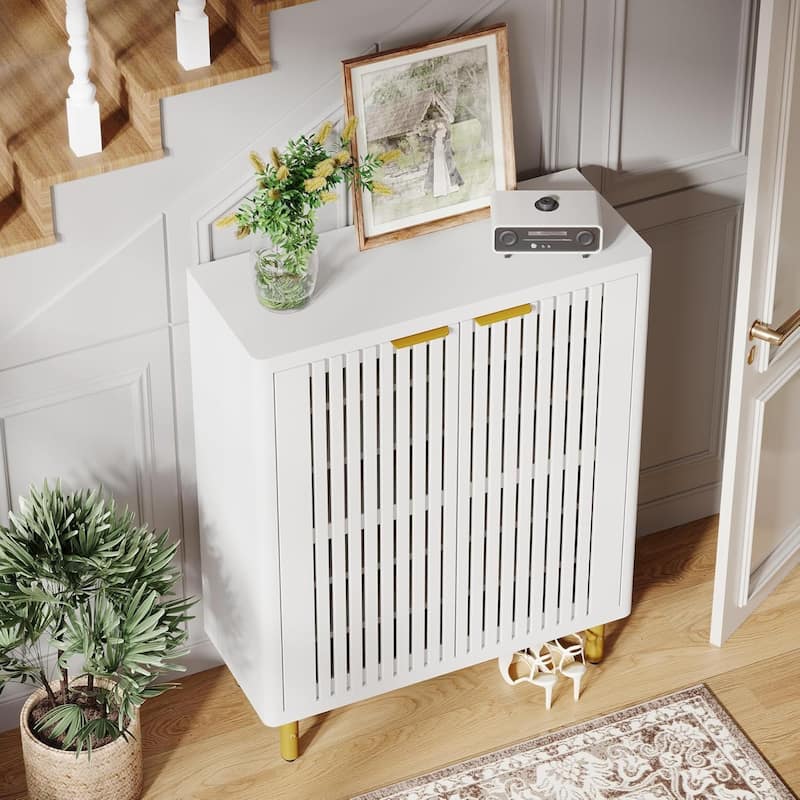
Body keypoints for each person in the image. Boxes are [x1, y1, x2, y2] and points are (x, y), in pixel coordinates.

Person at [424, 120, 464, 198]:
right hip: (436, 151)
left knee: (447, 168)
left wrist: (447, 149)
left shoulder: (447, 132)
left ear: (444, 124)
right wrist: (432, 149)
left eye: (440, 123)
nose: (439, 125)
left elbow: (448, 142)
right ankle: (440, 190)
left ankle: (451, 187)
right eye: (437, 124)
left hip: (444, 152)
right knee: (438, 169)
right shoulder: (435, 132)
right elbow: (433, 142)